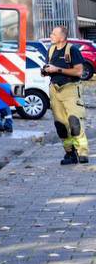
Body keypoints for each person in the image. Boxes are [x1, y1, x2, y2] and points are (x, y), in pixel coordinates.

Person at [42, 25, 89, 165]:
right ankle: (69, 153)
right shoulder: (50, 50)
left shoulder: (72, 50)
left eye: (53, 34)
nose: (50, 36)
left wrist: (58, 69)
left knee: (74, 122)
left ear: (62, 37)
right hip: (55, 90)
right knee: (60, 125)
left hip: (71, 89)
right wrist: (45, 71)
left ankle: (82, 152)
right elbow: (47, 68)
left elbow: (79, 72)